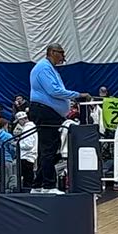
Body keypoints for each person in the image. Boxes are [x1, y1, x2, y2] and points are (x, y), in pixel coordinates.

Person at [29, 43, 87, 193]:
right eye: (61, 53)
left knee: (47, 150)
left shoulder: (49, 68)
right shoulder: (44, 68)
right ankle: (48, 186)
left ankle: (38, 185)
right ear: (52, 52)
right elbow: (54, 91)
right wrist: (77, 95)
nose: (63, 57)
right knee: (49, 150)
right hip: (45, 112)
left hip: (49, 112)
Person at [13, 111, 37, 189]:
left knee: (27, 180)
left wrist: (17, 144)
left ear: (22, 120)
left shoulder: (27, 129)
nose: (19, 124)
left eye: (19, 121)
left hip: (26, 156)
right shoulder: (32, 127)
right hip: (30, 156)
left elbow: (28, 145)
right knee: (28, 178)